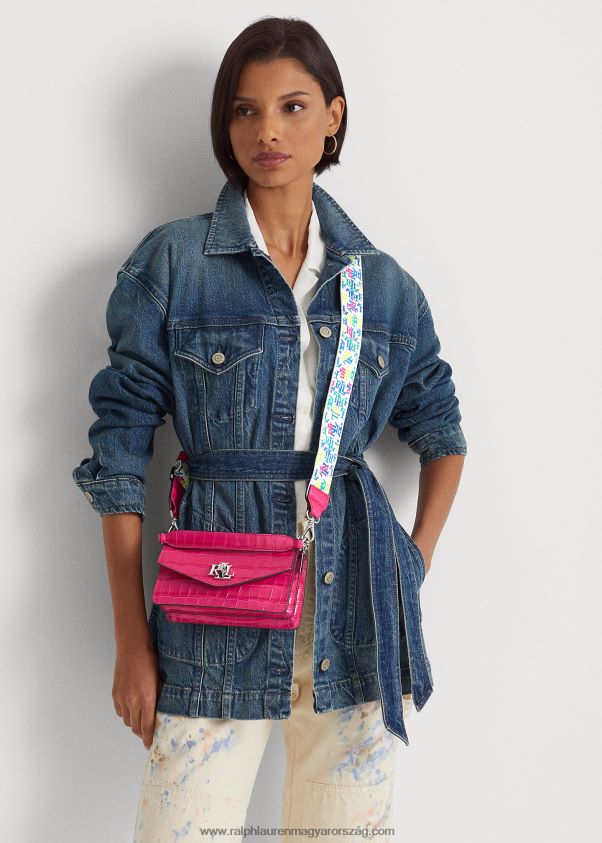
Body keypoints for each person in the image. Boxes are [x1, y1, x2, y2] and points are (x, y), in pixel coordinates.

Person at [71, 16, 467, 841]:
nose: (268, 132)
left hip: (357, 610)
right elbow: (118, 458)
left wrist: (413, 562)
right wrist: (132, 638)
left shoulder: (384, 286)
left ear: (333, 117)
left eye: (292, 107)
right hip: (214, 607)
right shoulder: (173, 264)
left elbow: (442, 431)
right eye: (245, 111)